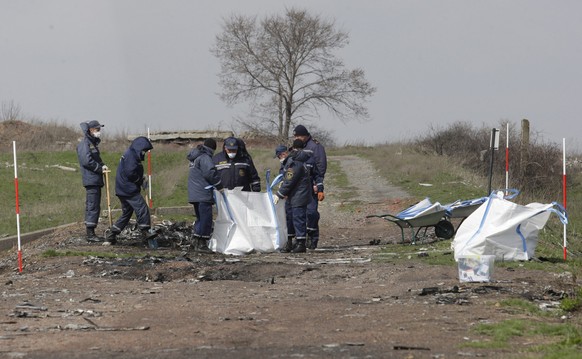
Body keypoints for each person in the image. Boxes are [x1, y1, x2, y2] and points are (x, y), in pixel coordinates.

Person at [104, 136, 158, 247]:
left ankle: (111, 235)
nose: (145, 153)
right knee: (142, 208)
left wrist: (141, 178)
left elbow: (132, 171)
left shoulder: (131, 154)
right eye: (144, 150)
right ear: (140, 148)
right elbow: (130, 173)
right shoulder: (131, 157)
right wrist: (140, 179)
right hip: (128, 190)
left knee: (126, 214)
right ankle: (146, 231)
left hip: (122, 189)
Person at [273, 139, 313, 253]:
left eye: (279, 156)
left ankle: (301, 243)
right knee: (290, 218)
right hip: (294, 195)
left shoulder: (294, 163)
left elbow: (290, 180)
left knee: (298, 218)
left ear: (284, 154)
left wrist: (279, 194)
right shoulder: (293, 162)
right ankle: (290, 242)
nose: (279, 158)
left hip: (299, 195)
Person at [187, 138, 224, 253]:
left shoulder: (195, 157)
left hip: (194, 193)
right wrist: (219, 185)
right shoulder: (205, 157)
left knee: (200, 218)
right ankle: (202, 243)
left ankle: (195, 241)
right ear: (213, 149)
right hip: (203, 193)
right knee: (206, 218)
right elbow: (209, 173)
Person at [293, 125, 327, 249]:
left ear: (306, 135)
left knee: (311, 213)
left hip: (312, 185)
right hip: (299, 187)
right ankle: (301, 238)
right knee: (300, 214)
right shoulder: (296, 147)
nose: (297, 138)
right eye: (295, 136)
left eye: (299, 136)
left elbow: (320, 167)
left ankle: (313, 237)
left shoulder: (315, 146)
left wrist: (318, 184)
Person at [76, 120, 108, 242]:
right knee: (92, 205)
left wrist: (103, 165)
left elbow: (97, 159)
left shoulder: (92, 144)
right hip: (91, 179)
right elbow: (87, 161)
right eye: (97, 129)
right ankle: (90, 234)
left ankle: (92, 231)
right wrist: (99, 169)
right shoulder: (85, 144)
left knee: (94, 205)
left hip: (95, 179)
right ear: (91, 130)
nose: (99, 132)